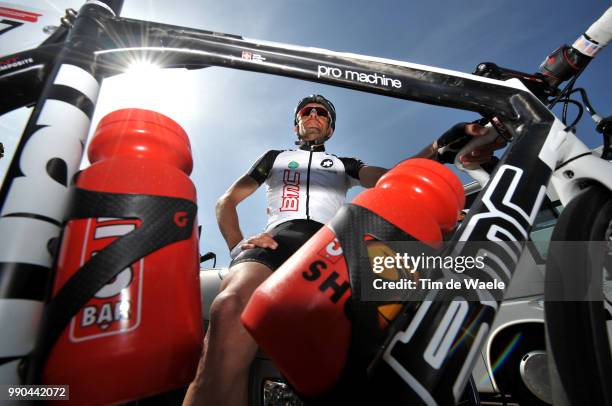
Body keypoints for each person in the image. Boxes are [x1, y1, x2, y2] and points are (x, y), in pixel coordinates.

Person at [182, 94, 503, 406]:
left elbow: (391, 178)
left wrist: (438, 148)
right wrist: (238, 246)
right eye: (306, 111)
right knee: (228, 309)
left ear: (330, 128)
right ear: (296, 125)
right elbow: (227, 201)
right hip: (277, 238)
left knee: (363, 343)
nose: (312, 116)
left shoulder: (343, 165)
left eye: (321, 113)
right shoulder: (272, 158)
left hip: (330, 241)